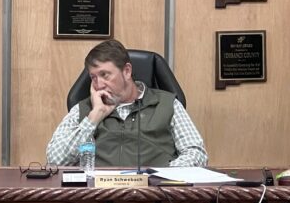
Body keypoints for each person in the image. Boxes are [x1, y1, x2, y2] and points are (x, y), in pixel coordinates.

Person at [46, 40, 208, 167]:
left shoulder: (167, 104)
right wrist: (94, 117)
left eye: (105, 75)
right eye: (94, 77)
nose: (99, 84)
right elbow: (55, 161)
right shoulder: (84, 109)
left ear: (127, 71)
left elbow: (196, 154)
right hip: (97, 199)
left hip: (157, 198)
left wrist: (159, 176)